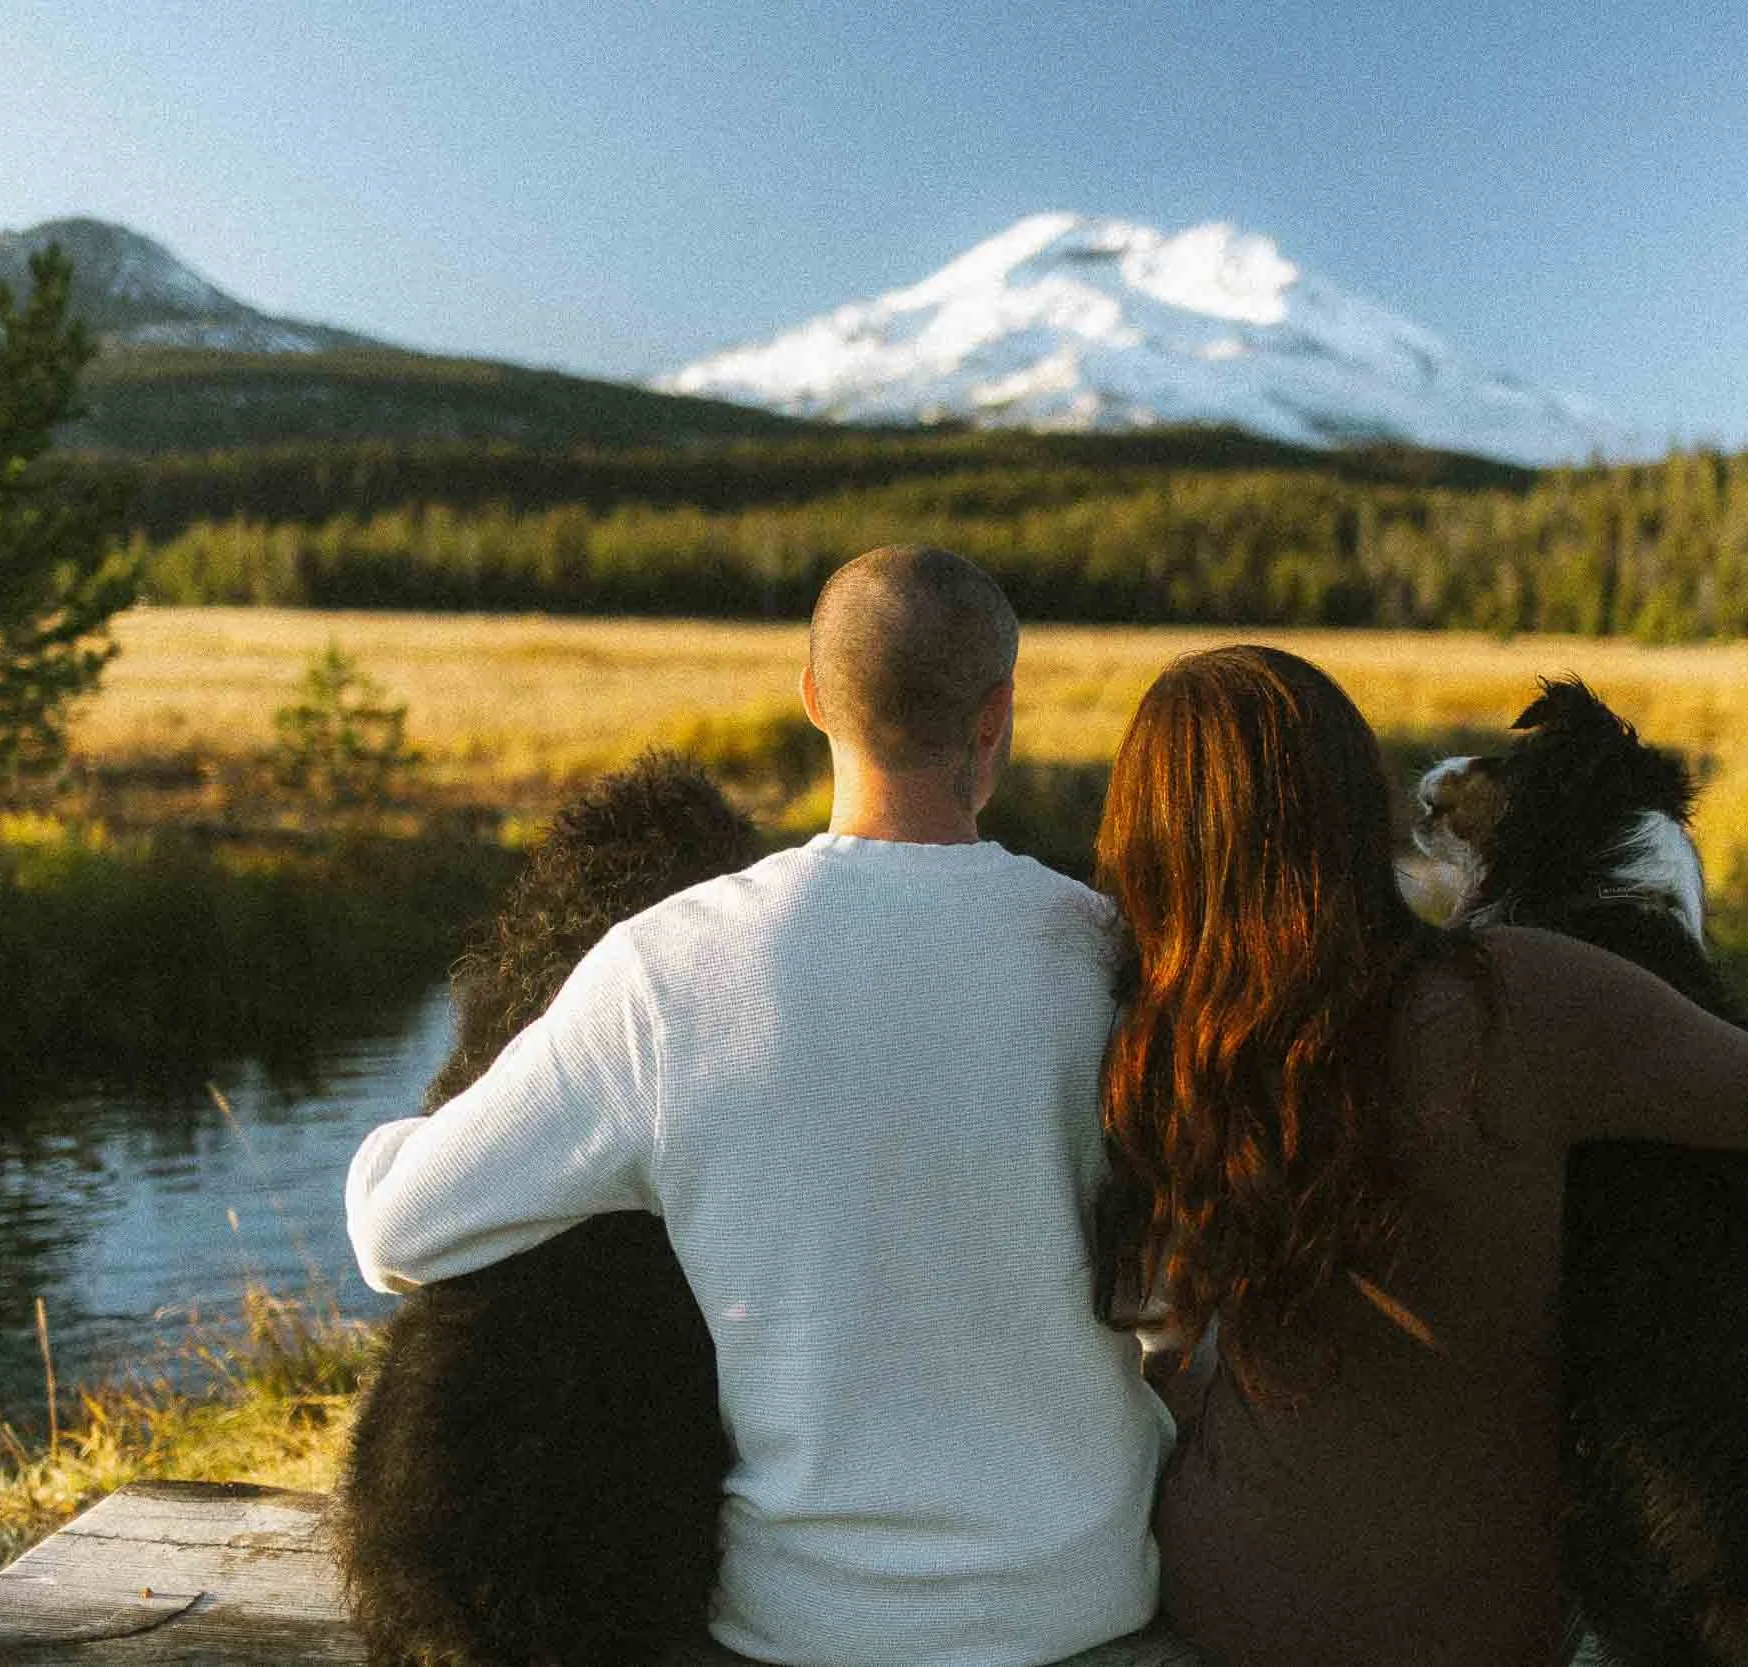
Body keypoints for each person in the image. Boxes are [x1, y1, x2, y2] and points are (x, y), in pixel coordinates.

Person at [346, 545, 1171, 1667]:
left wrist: (413, 1136)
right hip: (1086, 1590)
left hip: (808, 1621)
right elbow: (1178, 1288)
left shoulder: (672, 967)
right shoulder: (1105, 955)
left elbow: (397, 1230)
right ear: (996, 717)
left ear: (814, 699)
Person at [1089, 645, 1748, 1667]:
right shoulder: (1526, 995)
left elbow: (1160, 1355)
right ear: (1363, 811)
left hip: (1241, 1594)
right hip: (1478, 1618)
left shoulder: (1157, 1042)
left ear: (1148, 842)